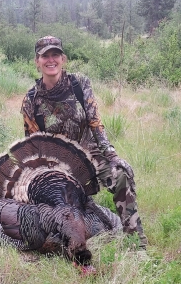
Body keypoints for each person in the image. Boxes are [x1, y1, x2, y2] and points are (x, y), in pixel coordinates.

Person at [20, 36, 148, 250]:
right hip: (57, 167)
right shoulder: (31, 100)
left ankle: (137, 242)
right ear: (37, 61)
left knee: (120, 176)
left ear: (63, 59)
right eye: (45, 56)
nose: (50, 60)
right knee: (53, 216)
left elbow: (95, 123)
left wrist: (112, 155)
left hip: (90, 155)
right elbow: (33, 145)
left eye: (55, 55)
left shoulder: (79, 84)